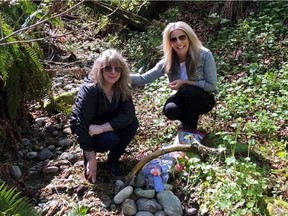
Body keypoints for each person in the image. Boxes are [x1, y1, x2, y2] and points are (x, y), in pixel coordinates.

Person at [131, 21, 218, 131]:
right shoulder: (168, 61)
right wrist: (119, 75)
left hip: (204, 98)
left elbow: (211, 86)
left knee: (190, 91)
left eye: (182, 37)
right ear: (169, 42)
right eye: (173, 39)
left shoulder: (204, 55)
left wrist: (185, 82)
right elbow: (144, 78)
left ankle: (191, 130)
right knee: (170, 109)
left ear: (189, 37)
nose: (179, 42)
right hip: (183, 97)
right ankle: (186, 123)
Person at [70, 49, 139, 183]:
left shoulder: (122, 87)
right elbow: (81, 125)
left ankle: (113, 159)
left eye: (117, 69)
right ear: (100, 69)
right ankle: (89, 153)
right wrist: (91, 158)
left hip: (103, 124)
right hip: (87, 128)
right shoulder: (90, 89)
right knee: (110, 139)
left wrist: (102, 128)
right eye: (108, 68)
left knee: (132, 124)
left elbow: (129, 114)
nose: (113, 72)